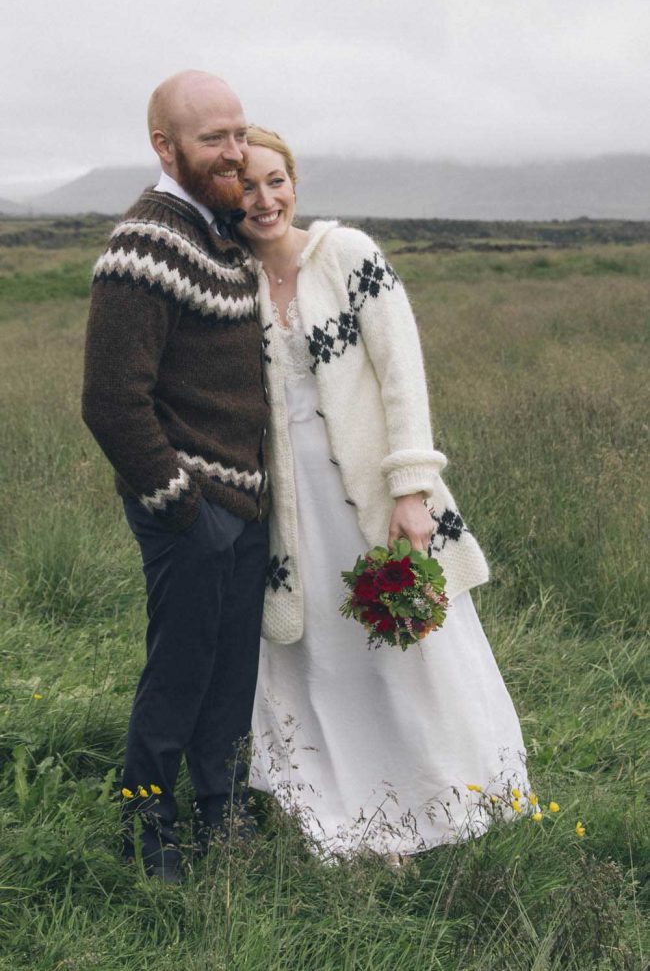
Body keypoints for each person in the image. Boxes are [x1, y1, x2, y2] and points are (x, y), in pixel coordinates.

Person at [238, 127, 528, 859]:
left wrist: (412, 489)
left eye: (276, 180)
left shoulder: (347, 255)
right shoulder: (231, 278)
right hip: (290, 513)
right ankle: (347, 813)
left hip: (368, 493)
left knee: (411, 650)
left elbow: (403, 372)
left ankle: (450, 802)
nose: (263, 198)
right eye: (245, 186)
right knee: (325, 656)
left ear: (295, 182)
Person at [82, 72, 270, 882]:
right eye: (212, 139)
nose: (234, 151)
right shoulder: (145, 245)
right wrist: (181, 504)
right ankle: (146, 829)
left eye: (239, 132)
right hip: (192, 507)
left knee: (232, 676)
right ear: (166, 147)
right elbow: (110, 400)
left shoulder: (219, 232)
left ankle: (222, 814)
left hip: (243, 503)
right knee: (180, 672)